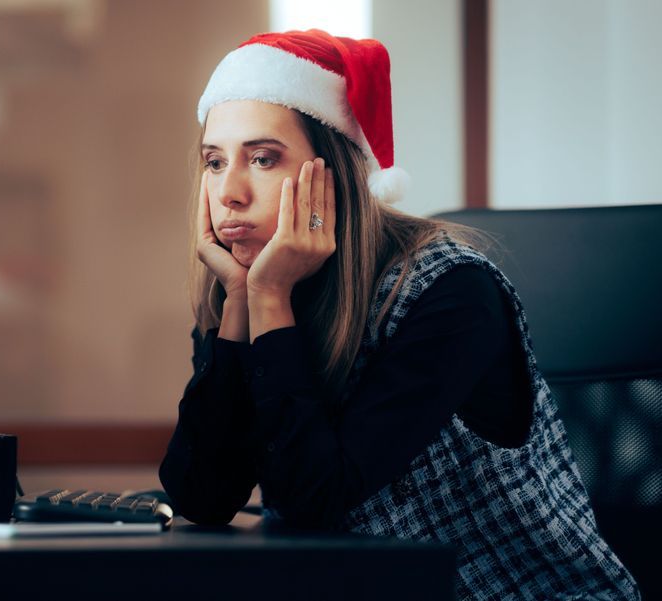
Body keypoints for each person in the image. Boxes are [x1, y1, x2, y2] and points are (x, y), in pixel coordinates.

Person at [158, 29, 639, 600]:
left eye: (262, 158)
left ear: (332, 170)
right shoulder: (245, 289)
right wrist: (240, 306)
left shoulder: (452, 291)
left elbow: (315, 500)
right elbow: (203, 499)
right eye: (215, 162)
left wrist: (267, 302)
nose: (229, 191)